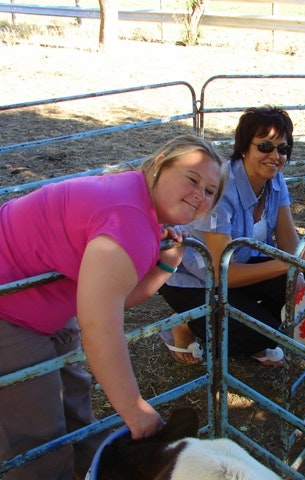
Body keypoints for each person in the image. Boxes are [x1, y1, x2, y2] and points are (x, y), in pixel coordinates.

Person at [0, 134, 228, 480]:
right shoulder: (128, 222)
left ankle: (90, 470)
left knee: (75, 405)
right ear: (160, 164)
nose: (200, 195)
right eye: (192, 179)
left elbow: (112, 296)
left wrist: (165, 265)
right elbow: (100, 327)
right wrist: (133, 408)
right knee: (36, 434)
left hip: (46, 303)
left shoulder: (142, 210)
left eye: (210, 191)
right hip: (9, 309)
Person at [159, 106, 305, 367]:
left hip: (238, 266)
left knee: (296, 298)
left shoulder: (274, 179)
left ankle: (250, 330)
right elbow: (220, 274)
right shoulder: (221, 188)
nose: (275, 156)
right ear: (245, 147)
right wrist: (291, 263)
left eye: (282, 149)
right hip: (193, 278)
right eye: (265, 146)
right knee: (264, 332)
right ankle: (184, 325)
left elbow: (288, 242)